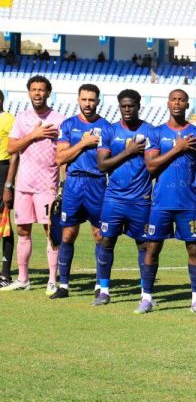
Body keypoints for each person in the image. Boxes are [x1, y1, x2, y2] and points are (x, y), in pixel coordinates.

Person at [134, 89, 196, 314]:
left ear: (188, 105)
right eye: (174, 99)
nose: (177, 103)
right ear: (168, 103)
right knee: (152, 247)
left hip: (188, 203)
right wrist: (178, 149)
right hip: (162, 202)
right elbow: (151, 166)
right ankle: (146, 297)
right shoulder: (156, 134)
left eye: (182, 100)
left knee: (194, 248)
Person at [1, 76, 63, 294]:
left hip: (47, 184)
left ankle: (53, 280)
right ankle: (23, 278)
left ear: (48, 93)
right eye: (34, 89)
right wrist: (34, 134)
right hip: (24, 185)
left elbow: (63, 153)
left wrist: (63, 184)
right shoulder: (22, 118)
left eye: (41, 90)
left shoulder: (58, 119)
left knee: (50, 231)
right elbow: (11, 148)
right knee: (22, 230)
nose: (37, 93)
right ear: (29, 93)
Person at [48, 84, 111, 300]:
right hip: (74, 184)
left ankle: (100, 285)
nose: (87, 104)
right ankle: (63, 285)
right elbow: (59, 158)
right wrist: (83, 144)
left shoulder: (107, 127)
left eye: (91, 100)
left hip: (97, 184)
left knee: (99, 235)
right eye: (84, 99)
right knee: (68, 234)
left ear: (98, 101)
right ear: (78, 100)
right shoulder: (68, 125)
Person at [94, 89, 155, 305]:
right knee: (106, 240)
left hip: (141, 199)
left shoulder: (150, 131)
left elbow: (154, 165)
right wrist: (128, 152)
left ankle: (146, 293)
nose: (127, 109)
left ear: (139, 106)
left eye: (131, 106)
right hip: (114, 199)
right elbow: (102, 165)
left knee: (143, 245)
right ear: (119, 106)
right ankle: (104, 289)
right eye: (123, 106)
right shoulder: (109, 131)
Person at [0, 91, 18, 287]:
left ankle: (5, 274)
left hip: (2, 169)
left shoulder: (9, 119)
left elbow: (15, 153)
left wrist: (8, 184)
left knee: (4, 222)